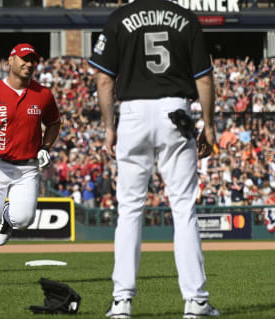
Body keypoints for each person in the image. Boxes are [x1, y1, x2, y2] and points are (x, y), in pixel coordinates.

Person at [89, 0, 220, 317]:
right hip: (175, 111)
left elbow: (104, 79)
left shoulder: (119, 17)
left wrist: (109, 128)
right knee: (184, 207)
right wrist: (210, 125)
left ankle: (121, 301)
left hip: (133, 112)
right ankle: (196, 301)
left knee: (130, 210)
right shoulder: (186, 18)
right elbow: (203, 78)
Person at [0, 43, 61, 287]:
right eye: (24, 59)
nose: (29, 64)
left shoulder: (44, 94)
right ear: (11, 61)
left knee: (24, 219)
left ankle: (9, 218)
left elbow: (54, 123)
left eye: (33, 60)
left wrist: (45, 147)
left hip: (27, 167)